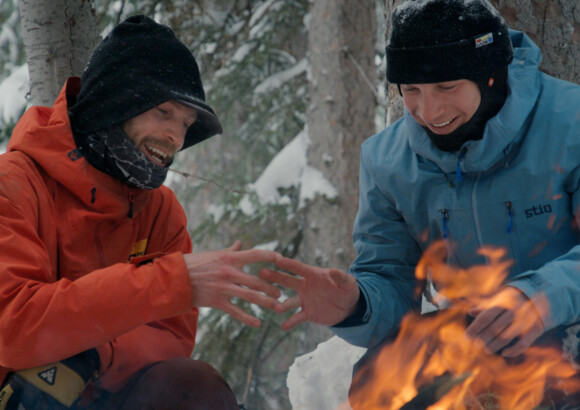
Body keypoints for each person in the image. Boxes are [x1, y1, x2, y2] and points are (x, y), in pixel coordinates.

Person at [260, 0, 580, 403]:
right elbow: (392, 283)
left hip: (569, 318)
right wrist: (355, 305)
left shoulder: (571, 122)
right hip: (475, 333)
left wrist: (540, 298)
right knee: (379, 380)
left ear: (491, 75)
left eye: (447, 87)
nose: (429, 111)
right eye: (411, 90)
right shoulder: (387, 161)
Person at [0, 15, 282, 410]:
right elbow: (11, 324)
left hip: (110, 390)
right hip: (20, 394)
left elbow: (171, 338)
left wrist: (95, 353)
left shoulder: (163, 212)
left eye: (185, 124)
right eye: (163, 113)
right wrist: (162, 283)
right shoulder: (13, 184)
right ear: (116, 100)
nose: (177, 137)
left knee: (194, 385)